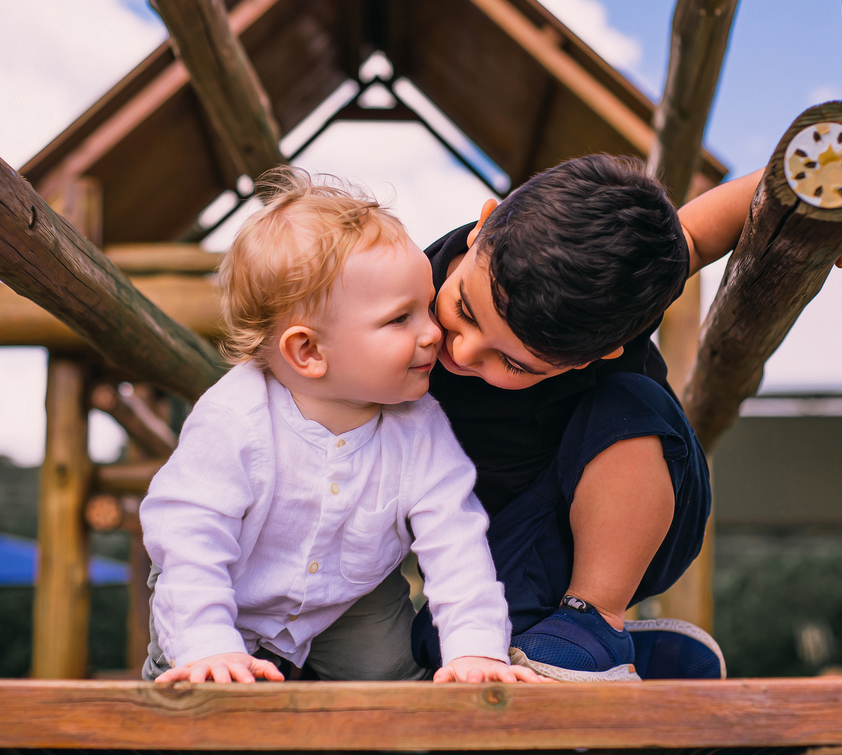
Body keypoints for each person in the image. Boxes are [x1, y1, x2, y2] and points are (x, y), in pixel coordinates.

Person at [140, 167, 548, 685]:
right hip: (227, 586)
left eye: (427, 306)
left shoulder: (418, 425)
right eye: (401, 319)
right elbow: (191, 535)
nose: (432, 333)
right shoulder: (235, 418)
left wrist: (475, 652)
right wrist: (206, 647)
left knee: (394, 675)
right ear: (308, 351)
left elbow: (456, 538)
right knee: (201, 681)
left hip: (349, 597)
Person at [409, 154, 770, 682]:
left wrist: (797, 196)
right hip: (510, 537)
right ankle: (619, 656)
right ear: (481, 228)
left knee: (628, 404)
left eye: (511, 362)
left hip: (633, 510)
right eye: (464, 310)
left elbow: (691, 232)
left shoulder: (602, 302)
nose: (463, 352)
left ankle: (595, 618)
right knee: (442, 643)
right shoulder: (409, 285)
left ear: (588, 357)